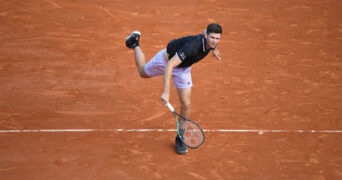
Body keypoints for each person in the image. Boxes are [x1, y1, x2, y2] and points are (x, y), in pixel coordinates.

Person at [125, 23, 222, 154]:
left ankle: (180, 138)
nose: (214, 41)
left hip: (183, 69)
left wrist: (213, 48)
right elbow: (169, 66)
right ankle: (134, 43)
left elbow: (207, 32)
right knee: (142, 72)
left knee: (186, 104)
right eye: (212, 38)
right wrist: (166, 92)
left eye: (217, 39)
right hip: (165, 62)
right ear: (206, 36)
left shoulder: (210, 40)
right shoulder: (192, 47)